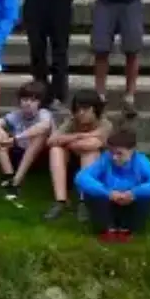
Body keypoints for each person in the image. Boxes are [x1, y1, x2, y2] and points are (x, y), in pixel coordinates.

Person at [75, 128, 150, 241]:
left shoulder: (141, 161)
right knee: (90, 193)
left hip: (131, 202)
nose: (114, 157)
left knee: (147, 196)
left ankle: (127, 228)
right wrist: (107, 193)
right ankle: (108, 228)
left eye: (119, 153)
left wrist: (134, 193)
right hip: (109, 201)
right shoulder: (105, 159)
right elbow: (82, 177)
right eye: (112, 152)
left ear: (132, 150)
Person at [0, 81, 53, 200]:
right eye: (25, 99)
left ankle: (17, 181)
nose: (28, 103)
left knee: (40, 135)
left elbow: (44, 126)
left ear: (40, 103)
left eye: (33, 100)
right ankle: (9, 176)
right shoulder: (16, 114)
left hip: (40, 157)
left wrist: (16, 139)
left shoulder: (44, 114)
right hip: (18, 155)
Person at [45, 91, 110, 221]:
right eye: (78, 109)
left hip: (98, 168)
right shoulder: (72, 121)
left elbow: (91, 145)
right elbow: (51, 141)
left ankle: (84, 201)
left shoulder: (105, 124)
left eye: (85, 109)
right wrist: (79, 136)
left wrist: (66, 141)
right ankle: (60, 200)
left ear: (95, 109)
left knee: (90, 152)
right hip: (72, 162)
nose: (81, 113)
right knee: (56, 150)